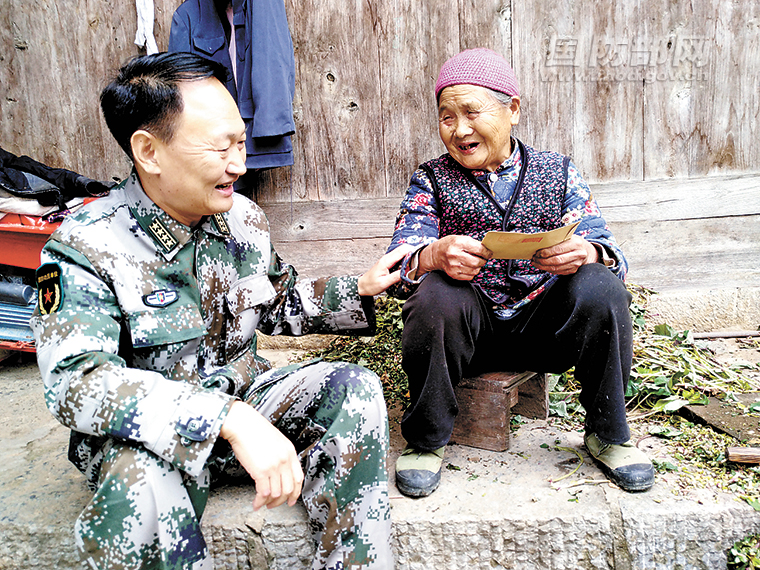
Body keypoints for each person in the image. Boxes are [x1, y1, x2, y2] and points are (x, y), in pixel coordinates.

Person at [31, 52, 408, 570]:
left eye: (241, 142)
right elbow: (77, 384)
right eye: (220, 147)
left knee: (355, 390)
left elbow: (277, 302)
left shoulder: (243, 220)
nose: (239, 164)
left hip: (248, 400)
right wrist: (225, 420)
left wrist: (362, 290)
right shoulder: (86, 246)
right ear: (149, 151)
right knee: (137, 489)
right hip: (154, 439)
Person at [386, 48, 654, 498]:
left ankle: (608, 433)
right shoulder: (431, 178)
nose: (460, 129)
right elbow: (398, 265)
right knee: (435, 294)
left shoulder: (557, 171)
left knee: (602, 286)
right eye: (447, 117)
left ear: (512, 110)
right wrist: (433, 255)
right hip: (471, 336)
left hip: (546, 331)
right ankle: (427, 440)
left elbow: (614, 254)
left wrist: (587, 252)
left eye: (472, 112)